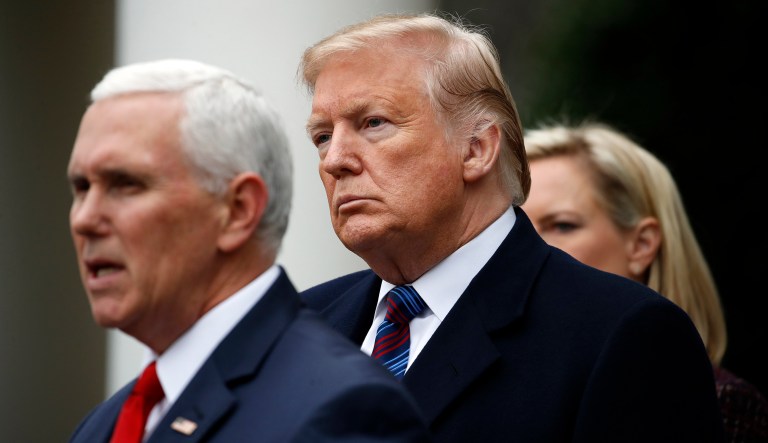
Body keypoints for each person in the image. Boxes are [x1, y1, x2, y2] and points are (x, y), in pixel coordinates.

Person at [297, 12, 725, 442]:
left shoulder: (621, 333)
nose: (334, 160)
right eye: (322, 137)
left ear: (477, 149)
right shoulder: (299, 326)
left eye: (373, 123)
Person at [66, 58, 431, 443]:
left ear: (237, 210)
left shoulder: (344, 412)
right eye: (81, 188)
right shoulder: (101, 426)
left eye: (126, 185)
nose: (85, 219)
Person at [521, 120, 768, 443]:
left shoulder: (722, 403)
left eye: (562, 225)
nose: (527, 247)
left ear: (642, 244)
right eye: (516, 228)